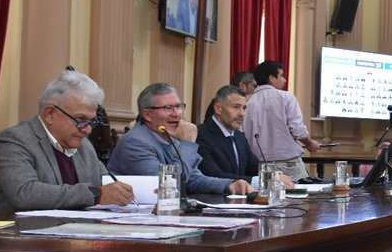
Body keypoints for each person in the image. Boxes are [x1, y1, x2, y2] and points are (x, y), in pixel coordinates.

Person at [0, 70, 134, 218]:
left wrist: (132, 192)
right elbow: (24, 194)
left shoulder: (84, 146)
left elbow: (107, 184)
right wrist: (95, 194)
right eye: (80, 120)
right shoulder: (14, 141)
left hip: (69, 234)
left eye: (91, 121)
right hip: (10, 237)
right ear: (49, 114)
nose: (87, 130)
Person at [108, 83, 253, 196]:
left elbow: (194, 179)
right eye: (168, 108)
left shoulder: (171, 137)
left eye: (179, 107)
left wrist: (229, 185)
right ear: (147, 115)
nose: (176, 114)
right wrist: (188, 144)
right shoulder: (135, 142)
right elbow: (167, 186)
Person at [243, 61, 320, 181]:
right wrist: (309, 143)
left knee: (266, 198)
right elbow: (297, 130)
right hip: (288, 164)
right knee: (296, 197)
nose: (284, 80)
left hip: (258, 166)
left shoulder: (247, 102)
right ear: (272, 78)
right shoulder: (286, 97)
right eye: (281, 76)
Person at [196, 85, 259, 182]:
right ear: (218, 109)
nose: (242, 113)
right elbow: (213, 175)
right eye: (236, 107)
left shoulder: (239, 136)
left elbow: (253, 167)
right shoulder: (200, 135)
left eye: (244, 108)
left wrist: (272, 176)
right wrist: (257, 182)